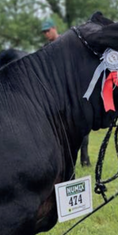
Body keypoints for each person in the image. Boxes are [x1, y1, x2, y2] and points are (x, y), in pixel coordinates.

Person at [43, 18, 90, 166]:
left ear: (54, 28)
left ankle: (84, 157)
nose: (46, 34)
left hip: (72, 90)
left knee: (80, 122)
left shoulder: (66, 43)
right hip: (55, 92)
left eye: (48, 30)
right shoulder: (45, 48)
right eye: (44, 32)